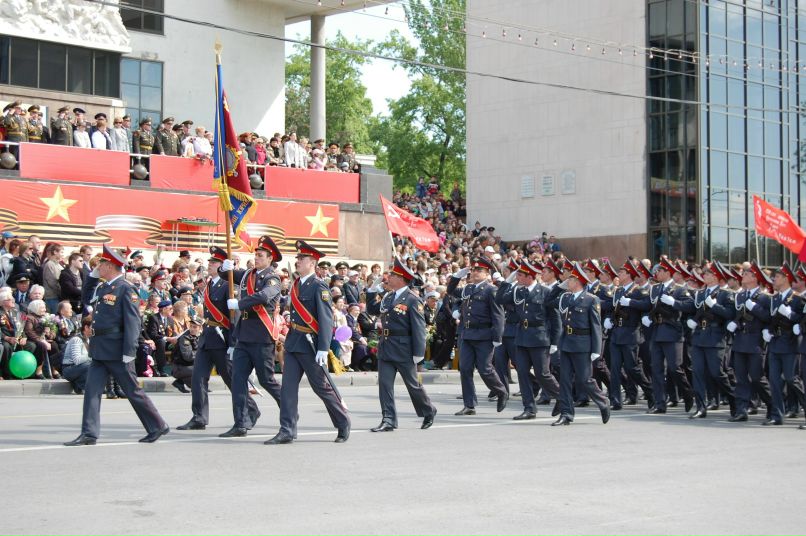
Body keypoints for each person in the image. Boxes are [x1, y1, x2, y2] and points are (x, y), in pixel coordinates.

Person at [64, 245, 169, 446]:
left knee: (132, 391)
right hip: (100, 348)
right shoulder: (103, 287)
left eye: (101, 263)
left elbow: (133, 322)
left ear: (110, 265)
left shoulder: (125, 289)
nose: (98, 266)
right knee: (92, 390)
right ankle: (89, 433)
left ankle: (157, 425)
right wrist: (93, 276)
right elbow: (86, 298)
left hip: (117, 349)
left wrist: (130, 351)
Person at [265, 240, 350, 445]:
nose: (298, 262)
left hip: (311, 345)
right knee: (288, 388)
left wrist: (323, 347)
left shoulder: (319, 286)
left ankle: (342, 422)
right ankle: (287, 429)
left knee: (320, 387)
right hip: (294, 342)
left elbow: (325, 318)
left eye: (301, 259)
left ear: (312, 262)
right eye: (297, 258)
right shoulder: (296, 284)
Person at [176, 246, 260, 431]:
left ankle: (251, 410)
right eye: (210, 262)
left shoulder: (229, 286)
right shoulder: (209, 284)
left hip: (223, 340)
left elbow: (235, 317)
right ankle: (199, 417)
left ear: (223, 265)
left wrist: (233, 343)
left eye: (214, 263)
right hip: (208, 337)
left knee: (231, 380)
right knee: (198, 378)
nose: (211, 265)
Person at [218, 235, 284, 438]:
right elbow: (226, 276)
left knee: (267, 380)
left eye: (260, 255)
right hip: (244, 335)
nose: (256, 258)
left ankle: (289, 410)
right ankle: (241, 422)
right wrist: (224, 268)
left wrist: (240, 304)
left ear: (270, 258)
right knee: (237, 379)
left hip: (262, 336)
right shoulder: (248, 274)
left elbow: (265, 296)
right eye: (255, 255)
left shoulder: (273, 278)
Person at [365, 258, 437, 431]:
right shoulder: (389, 296)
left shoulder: (413, 299)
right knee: (385, 385)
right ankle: (388, 419)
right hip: (387, 345)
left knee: (412, 385)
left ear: (401, 278)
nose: (388, 277)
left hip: (404, 348)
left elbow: (419, 328)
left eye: (392, 275)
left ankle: (428, 410)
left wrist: (419, 353)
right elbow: (373, 310)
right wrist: (372, 290)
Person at [496, 259, 560, 419]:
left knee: (543, 374)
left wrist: (555, 342)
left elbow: (555, 319)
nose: (516, 277)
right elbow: (500, 300)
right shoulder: (519, 291)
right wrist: (507, 282)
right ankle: (529, 408)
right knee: (522, 373)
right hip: (522, 336)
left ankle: (562, 397)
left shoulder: (545, 292)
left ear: (529, 276)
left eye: (519, 275)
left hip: (540, 337)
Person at [447, 257, 508, 415]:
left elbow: (498, 315)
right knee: (465, 369)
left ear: (487, 274)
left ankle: (501, 391)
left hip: (484, 335)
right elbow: (451, 291)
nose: (474, 273)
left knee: (485, 369)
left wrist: (497, 337)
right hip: (467, 334)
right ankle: (469, 405)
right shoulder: (468, 288)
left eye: (479, 270)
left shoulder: (491, 290)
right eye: (473, 270)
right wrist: (456, 276)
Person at [552, 262, 610, 426]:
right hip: (566, 343)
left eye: (569, 279)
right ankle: (566, 414)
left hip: (583, 344)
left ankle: (603, 401)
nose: (567, 282)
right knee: (564, 380)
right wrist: (559, 287)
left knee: (585, 380)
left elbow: (596, 325)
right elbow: (548, 300)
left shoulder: (591, 300)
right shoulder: (566, 297)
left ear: (577, 281)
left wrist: (596, 349)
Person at [644, 257, 695, 415]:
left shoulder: (679, 290)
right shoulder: (655, 289)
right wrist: (647, 317)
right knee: (657, 369)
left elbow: (690, 306)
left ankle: (687, 394)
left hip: (672, 333)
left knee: (675, 369)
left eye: (659, 270)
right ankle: (660, 403)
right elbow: (649, 306)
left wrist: (674, 303)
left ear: (668, 272)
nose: (656, 273)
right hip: (657, 332)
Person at [687, 262, 736, 419]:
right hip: (699, 336)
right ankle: (701, 407)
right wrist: (691, 320)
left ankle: (734, 400)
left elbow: (729, 314)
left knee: (717, 373)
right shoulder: (700, 294)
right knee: (698, 373)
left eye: (708, 274)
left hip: (715, 337)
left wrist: (714, 306)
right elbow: (693, 309)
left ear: (716, 277)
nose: (704, 276)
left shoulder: (725, 294)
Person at [607, 260, 655, 410]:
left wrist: (631, 302)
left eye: (621, 273)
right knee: (614, 369)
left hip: (631, 333)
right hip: (616, 333)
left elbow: (648, 305)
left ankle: (650, 392)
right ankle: (615, 400)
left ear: (629, 275)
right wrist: (609, 319)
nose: (618, 275)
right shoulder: (618, 291)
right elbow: (612, 308)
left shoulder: (639, 291)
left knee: (632, 368)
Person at [729, 261, 774, 423]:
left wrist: (754, 307)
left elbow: (768, 317)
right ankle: (741, 410)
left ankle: (772, 405)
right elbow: (738, 314)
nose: (743, 276)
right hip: (741, 339)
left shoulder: (764, 297)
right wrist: (734, 322)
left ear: (755, 278)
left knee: (757, 377)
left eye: (746, 274)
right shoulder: (740, 295)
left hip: (755, 340)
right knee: (741, 377)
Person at [763, 263, 806, 426]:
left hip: (790, 343)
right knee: (774, 380)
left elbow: (801, 319)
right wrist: (767, 331)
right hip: (775, 343)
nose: (774, 279)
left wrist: (791, 315)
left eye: (778, 277)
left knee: (791, 379)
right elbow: (770, 319)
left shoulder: (797, 298)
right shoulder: (774, 298)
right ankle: (777, 415)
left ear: (787, 279)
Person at [62, 316, 93, 394]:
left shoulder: (88, 339)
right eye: (93, 327)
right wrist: (92, 355)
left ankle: (80, 386)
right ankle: (82, 387)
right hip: (69, 369)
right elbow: (77, 360)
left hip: (78, 368)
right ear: (86, 327)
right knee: (91, 364)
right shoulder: (76, 340)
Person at [172, 317, 202, 393]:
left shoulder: (200, 337)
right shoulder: (185, 338)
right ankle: (195, 385)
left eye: (195, 327)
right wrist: (201, 354)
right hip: (179, 367)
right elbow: (188, 356)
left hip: (188, 366)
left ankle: (180, 382)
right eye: (191, 326)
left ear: (200, 328)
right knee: (201, 368)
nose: (192, 329)